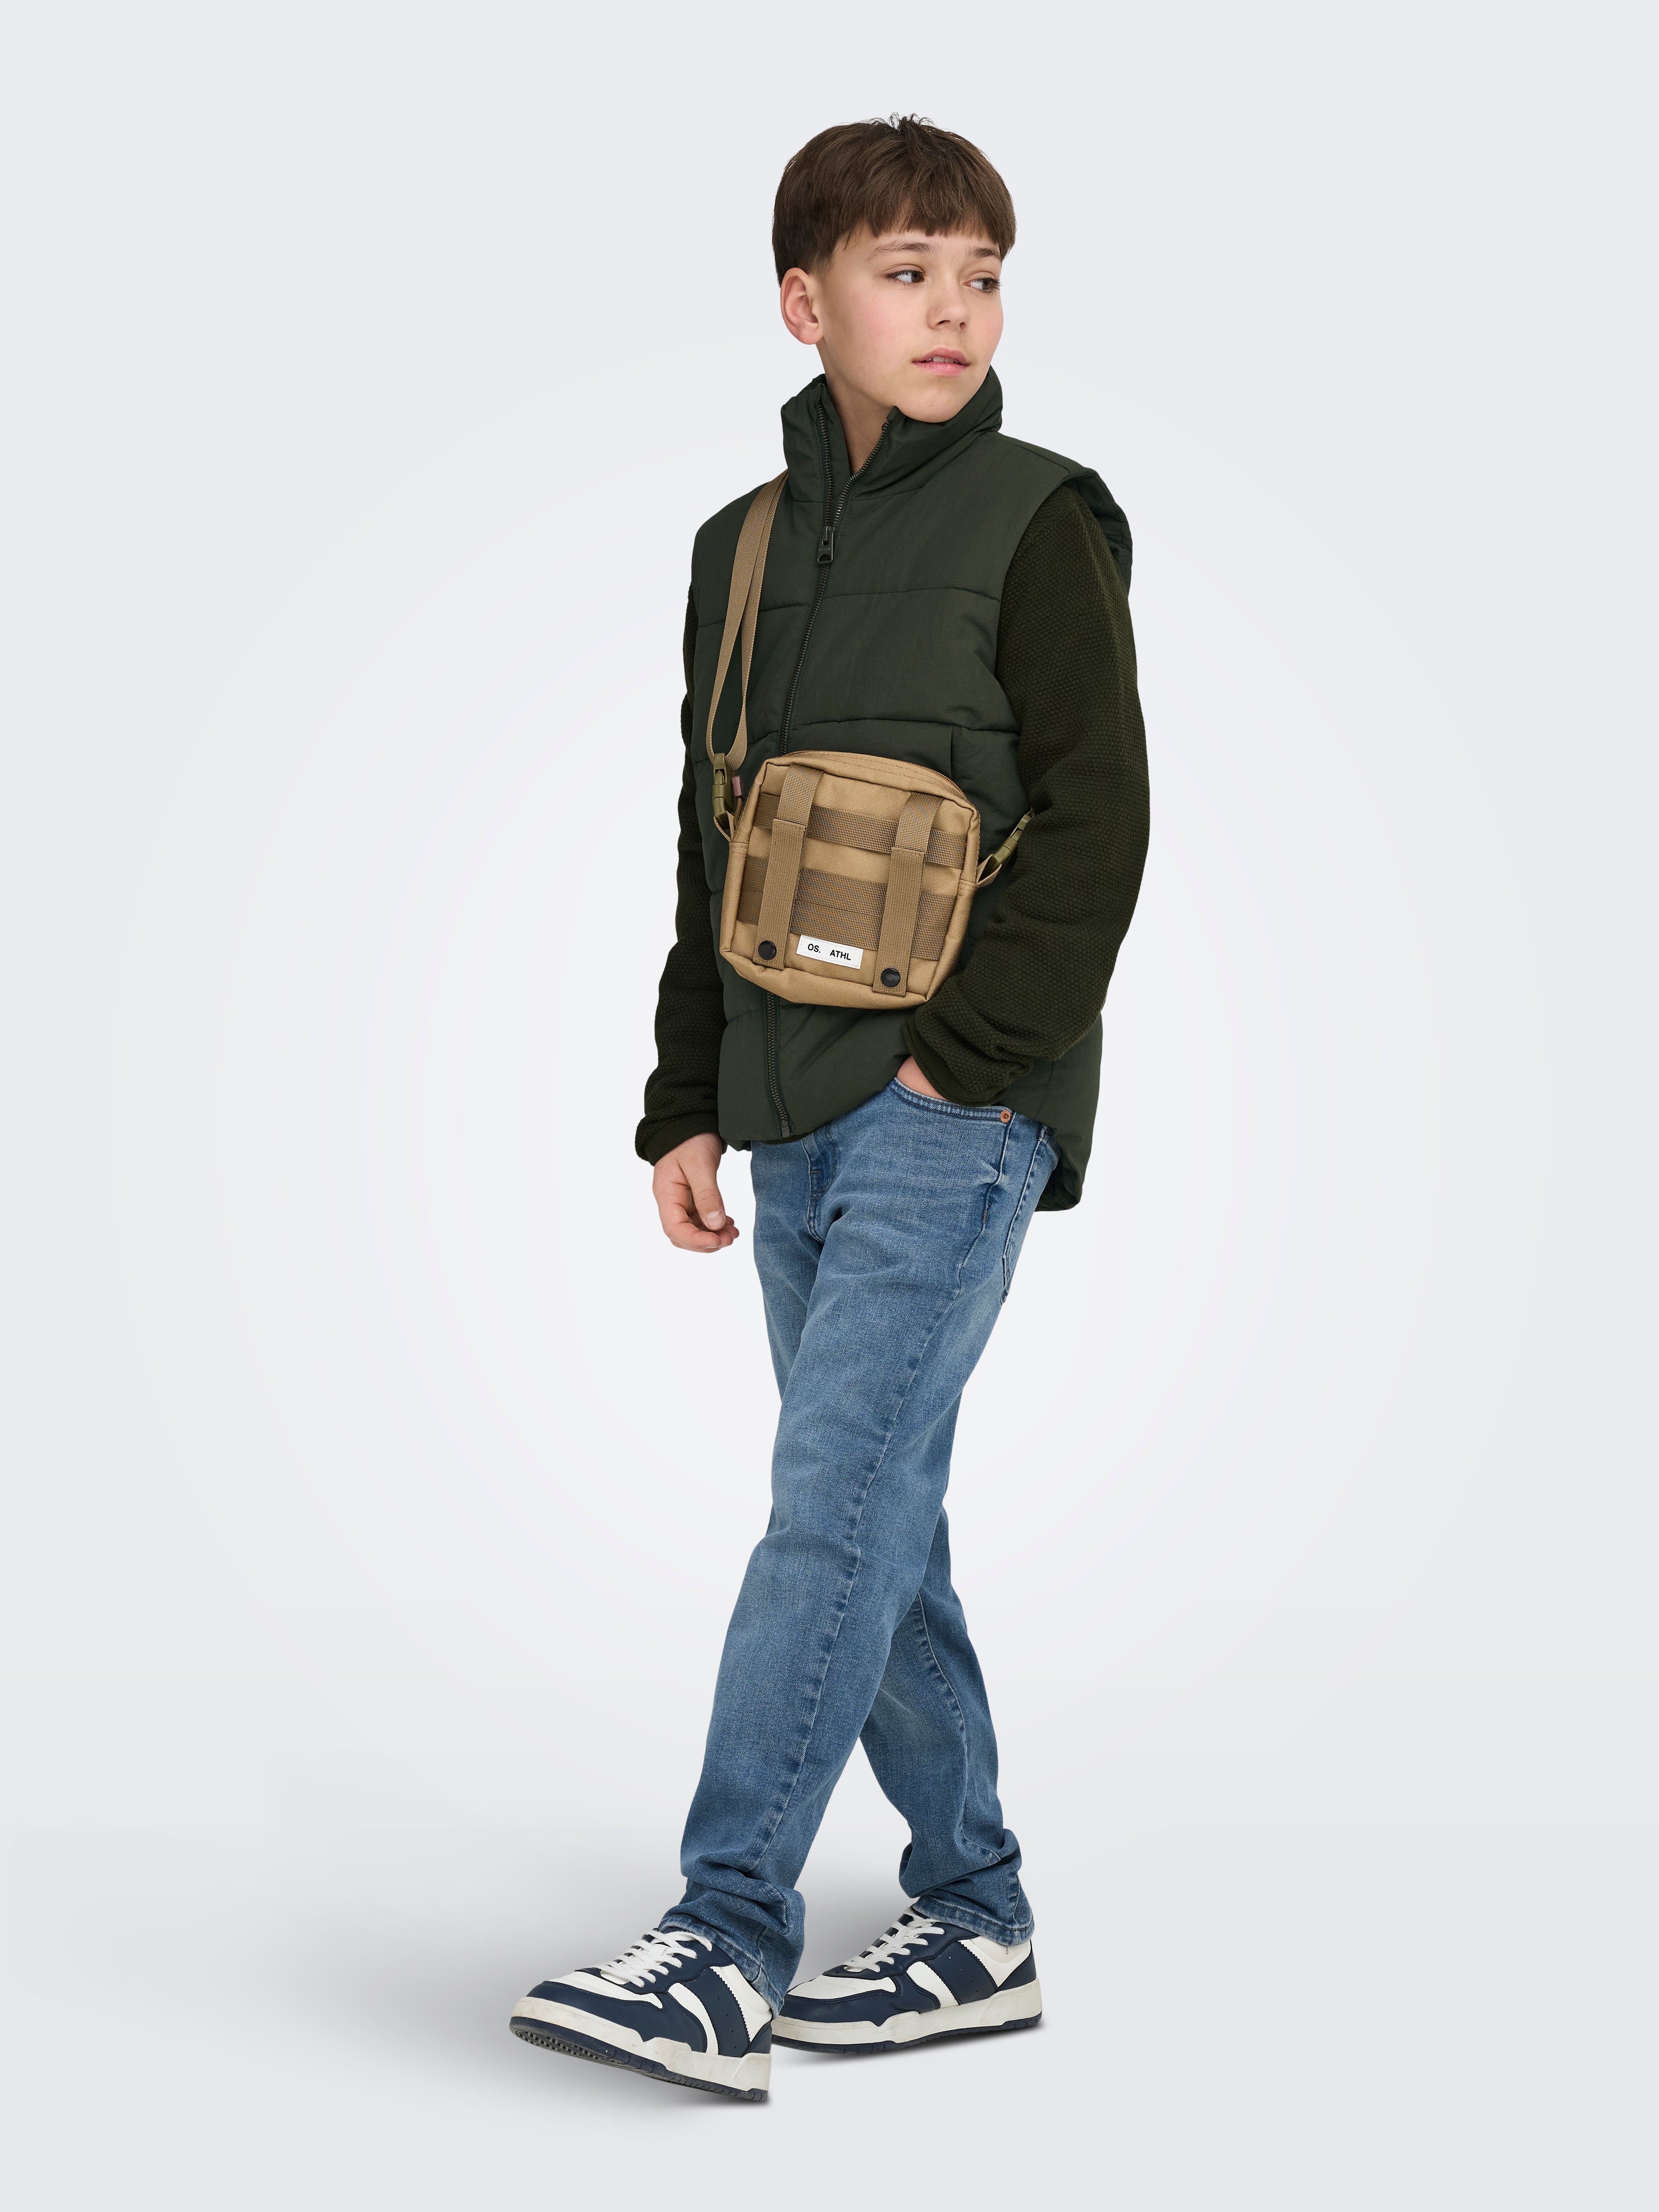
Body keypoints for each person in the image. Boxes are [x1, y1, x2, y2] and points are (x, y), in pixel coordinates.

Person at [510, 114, 1149, 2099]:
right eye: (906, 271)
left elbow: (1104, 822)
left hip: (956, 1106)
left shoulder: (1043, 519)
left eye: (982, 275)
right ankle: (977, 1911)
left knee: (830, 1504)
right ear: (807, 303)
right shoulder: (744, 547)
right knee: (881, 1511)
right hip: (784, 1103)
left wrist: (967, 1059)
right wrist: (682, 1100)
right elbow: (711, 835)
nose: (954, 310)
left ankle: (725, 1936)